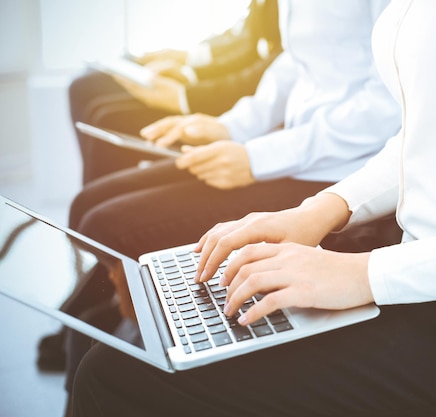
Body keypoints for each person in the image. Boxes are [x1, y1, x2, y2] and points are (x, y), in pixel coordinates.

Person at [70, 0, 436, 416]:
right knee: (154, 350)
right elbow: (425, 134)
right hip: (429, 289)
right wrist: (318, 211)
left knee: (116, 380)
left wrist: (363, 273)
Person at [61, 0, 400, 412]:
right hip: (294, 149)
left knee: (108, 224)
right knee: (86, 209)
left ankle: (137, 334)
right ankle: (127, 320)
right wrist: (232, 127)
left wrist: (259, 157)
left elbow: (385, 105)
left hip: (337, 169)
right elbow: (296, 62)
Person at [70, 0, 281, 184]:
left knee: (108, 118)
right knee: (84, 90)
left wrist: (187, 94)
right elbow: (245, 39)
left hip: (239, 108)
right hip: (241, 107)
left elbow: (265, 65)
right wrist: (187, 66)